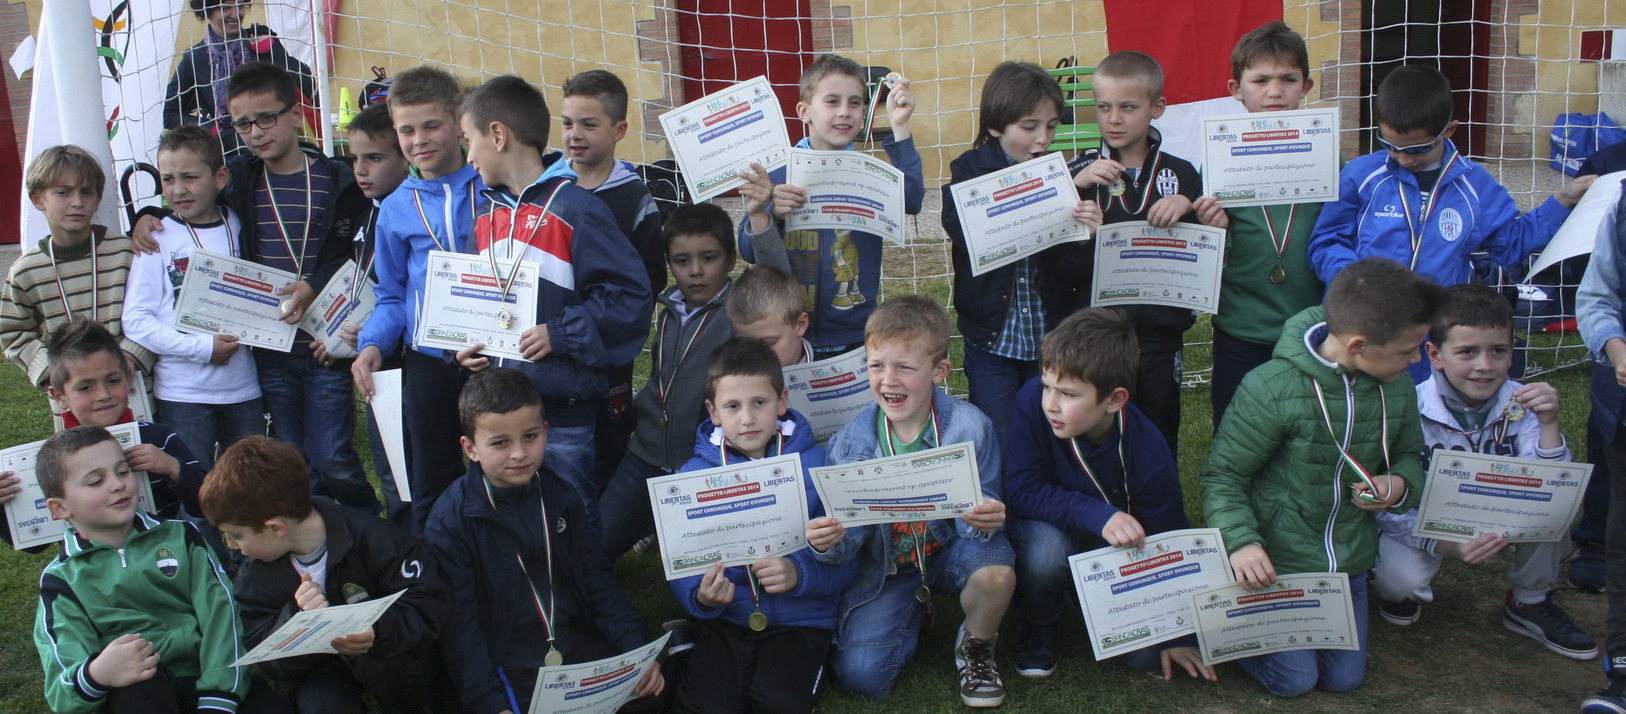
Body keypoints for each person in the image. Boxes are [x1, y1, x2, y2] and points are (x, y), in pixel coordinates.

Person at [1202, 257, 1445, 697]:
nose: (1416, 359)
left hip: (1347, 564)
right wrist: (1242, 542)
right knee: (1295, 681)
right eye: (1407, 351)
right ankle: (1230, 628)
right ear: (1358, 346)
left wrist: (1400, 485)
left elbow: (1410, 454)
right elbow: (1223, 476)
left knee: (1344, 679)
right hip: (1277, 567)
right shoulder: (1271, 387)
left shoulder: (1398, 385)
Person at [1306, 64, 1595, 382]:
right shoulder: (1361, 176)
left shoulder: (1476, 186)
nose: (1403, 159)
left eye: (1415, 149)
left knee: (1422, 416)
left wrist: (1561, 202)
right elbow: (1326, 242)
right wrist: (1356, 283)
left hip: (1433, 332)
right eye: (1390, 146)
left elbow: (1512, 244)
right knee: (1356, 410)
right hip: (1362, 323)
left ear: (1449, 130)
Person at [452, 74, 653, 526]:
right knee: (505, 524)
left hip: (560, 416)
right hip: (496, 411)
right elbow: (472, 304)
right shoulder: (486, 214)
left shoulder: (577, 210)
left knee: (570, 520)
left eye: (470, 140)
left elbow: (630, 298)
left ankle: (578, 595)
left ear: (498, 135)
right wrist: (463, 347)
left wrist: (560, 333)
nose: (468, 156)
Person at [804, 295, 1015, 707]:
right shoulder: (850, 443)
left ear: (939, 371)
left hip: (951, 551)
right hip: (890, 568)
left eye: (904, 367)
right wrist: (826, 542)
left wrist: (984, 517)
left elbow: (984, 510)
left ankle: (976, 647)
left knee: (995, 574)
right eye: (877, 365)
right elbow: (846, 542)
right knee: (860, 680)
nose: (888, 379)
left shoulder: (971, 427)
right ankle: (915, 612)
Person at [1371, 283, 1594, 661]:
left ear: (1512, 353)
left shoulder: (1523, 403)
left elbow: (1557, 490)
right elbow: (1386, 504)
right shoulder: (1404, 406)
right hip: (1430, 524)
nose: (1485, 365)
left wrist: (1550, 423)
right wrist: (1445, 545)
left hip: (1506, 514)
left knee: (1552, 513)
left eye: (1498, 351)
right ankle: (1400, 591)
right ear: (1434, 354)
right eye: (1467, 352)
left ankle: (1528, 602)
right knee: (1397, 582)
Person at [425, 368, 663, 714]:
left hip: (571, 641)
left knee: (648, 697)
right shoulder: (450, 522)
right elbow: (460, 625)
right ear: (470, 448)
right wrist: (488, 702)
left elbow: (597, 580)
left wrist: (633, 650)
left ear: (546, 431)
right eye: (500, 443)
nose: (520, 453)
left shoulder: (561, 496)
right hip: (504, 659)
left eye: (530, 436)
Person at [1002, 307, 1213, 681]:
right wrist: (1099, 515)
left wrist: (1175, 630)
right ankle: (1039, 626)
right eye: (1048, 385)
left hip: (1111, 552)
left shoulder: (1148, 449)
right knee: (1045, 551)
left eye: (1067, 393)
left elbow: (1167, 532)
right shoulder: (1030, 402)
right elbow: (1021, 489)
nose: (1050, 402)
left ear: (1114, 400)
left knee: (1145, 656)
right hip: (1048, 529)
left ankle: (1088, 599)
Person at [202, 61, 372, 512]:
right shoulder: (238, 180)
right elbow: (191, 202)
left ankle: (367, 525)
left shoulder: (339, 179)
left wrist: (315, 285)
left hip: (323, 341)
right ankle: (320, 536)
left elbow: (358, 255)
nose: (256, 132)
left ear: (296, 114)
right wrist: (150, 217)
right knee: (295, 458)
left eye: (267, 117)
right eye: (243, 123)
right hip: (270, 344)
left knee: (332, 455)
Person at [199, 436, 453, 714]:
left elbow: (428, 600)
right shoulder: (256, 575)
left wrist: (376, 631)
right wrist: (298, 619)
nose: (233, 547)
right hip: (318, 670)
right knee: (322, 704)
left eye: (236, 536)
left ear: (275, 528)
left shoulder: (377, 540)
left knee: (392, 674)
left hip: (386, 656)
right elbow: (266, 657)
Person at [668, 338, 855, 714]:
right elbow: (681, 562)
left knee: (780, 704)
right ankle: (689, 639)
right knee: (705, 708)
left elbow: (848, 557)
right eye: (733, 406)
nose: (748, 418)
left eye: (759, 403)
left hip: (801, 621)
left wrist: (799, 573)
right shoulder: (692, 477)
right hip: (728, 618)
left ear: (782, 401)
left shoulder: (819, 466)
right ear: (713, 411)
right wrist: (701, 597)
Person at [31, 426, 257, 713]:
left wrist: (219, 698)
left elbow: (222, 616)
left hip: (208, 679)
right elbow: (62, 688)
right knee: (137, 693)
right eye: (96, 481)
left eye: (123, 471)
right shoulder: (61, 580)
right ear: (59, 508)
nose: (117, 485)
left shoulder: (183, 537)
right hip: (136, 691)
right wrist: (96, 674)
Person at [939, 61, 1101, 446]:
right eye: (1029, 127)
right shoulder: (969, 169)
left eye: (1051, 125)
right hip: (992, 340)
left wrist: (1083, 235)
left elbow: (1075, 274)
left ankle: (1046, 502)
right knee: (1000, 434)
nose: (1042, 138)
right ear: (996, 126)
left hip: (1048, 339)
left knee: (1050, 436)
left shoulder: (1064, 174)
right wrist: (1049, 196)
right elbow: (964, 231)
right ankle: (1004, 506)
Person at [353, 65, 485, 533]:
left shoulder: (491, 189)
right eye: (406, 130)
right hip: (429, 361)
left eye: (432, 125)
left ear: (458, 123)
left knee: (498, 473)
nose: (419, 139)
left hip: (493, 357)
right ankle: (438, 577)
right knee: (431, 481)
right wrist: (372, 344)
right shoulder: (394, 208)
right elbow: (391, 296)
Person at [1070, 50, 1221, 454]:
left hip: (1159, 335)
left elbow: (1203, 250)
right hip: (1097, 335)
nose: (1113, 119)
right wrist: (1075, 190)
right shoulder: (1079, 173)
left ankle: (1158, 515)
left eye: (1128, 107)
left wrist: (1188, 206)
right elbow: (1058, 260)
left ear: (1157, 108)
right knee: (1098, 436)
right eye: (1103, 107)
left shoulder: (1183, 174)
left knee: (1157, 436)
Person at [737, 54, 924, 358]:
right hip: (789, 337)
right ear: (804, 111)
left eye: (854, 103)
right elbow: (747, 250)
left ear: (864, 112)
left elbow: (913, 199)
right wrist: (772, 214)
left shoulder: (870, 173)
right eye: (832, 101)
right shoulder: (777, 174)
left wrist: (900, 127)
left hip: (855, 333)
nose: (845, 112)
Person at [1192, 21, 1329, 428]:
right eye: (1261, 80)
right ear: (1236, 88)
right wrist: (1212, 232)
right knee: (1238, 430)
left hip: (1313, 327)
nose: (1275, 91)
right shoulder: (1218, 163)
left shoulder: (1329, 160)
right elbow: (1206, 261)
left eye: (1288, 79)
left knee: (1309, 433)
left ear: (1306, 86)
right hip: (1241, 327)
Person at [598, 203, 737, 559]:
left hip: (705, 461)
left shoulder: (742, 313)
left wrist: (763, 220)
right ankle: (649, 522)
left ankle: (658, 524)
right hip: (646, 452)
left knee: (702, 564)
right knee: (596, 546)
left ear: (731, 259)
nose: (695, 271)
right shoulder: (669, 311)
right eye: (681, 261)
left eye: (708, 258)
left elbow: (781, 284)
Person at [548, 69, 664, 495]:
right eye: (567, 123)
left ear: (619, 130)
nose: (575, 134)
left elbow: (649, 279)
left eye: (588, 124)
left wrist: (605, 325)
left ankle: (607, 520)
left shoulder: (635, 198)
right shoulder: (546, 186)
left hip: (607, 348)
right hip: (547, 340)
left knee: (609, 432)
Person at [0, 320, 208, 552]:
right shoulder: (53, 460)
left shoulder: (158, 438)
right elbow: (34, 545)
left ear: (128, 377)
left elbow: (208, 506)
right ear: (59, 396)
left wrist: (173, 467)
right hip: (93, 577)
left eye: (113, 381)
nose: (103, 395)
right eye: (85, 387)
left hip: (167, 560)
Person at [123, 125, 262, 469]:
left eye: (189, 177)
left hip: (244, 388)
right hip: (183, 393)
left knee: (253, 485)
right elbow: (136, 320)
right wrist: (200, 349)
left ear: (220, 177)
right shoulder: (156, 238)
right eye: (167, 179)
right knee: (193, 487)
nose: (178, 189)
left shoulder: (243, 224)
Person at [320, 102, 412, 525]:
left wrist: (379, 332)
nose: (360, 169)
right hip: (375, 362)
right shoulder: (362, 211)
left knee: (416, 469)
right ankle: (403, 553)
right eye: (354, 158)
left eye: (374, 158)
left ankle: (430, 553)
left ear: (406, 154)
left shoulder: (413, 214)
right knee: (390, 469)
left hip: (411, 363)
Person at [2, 145, 155, 393]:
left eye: (87, 192)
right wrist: (54, 370)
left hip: (133, 387)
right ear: (38, 199)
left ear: (97, 199)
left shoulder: (129, 254)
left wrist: (131, 357)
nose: (77, 202)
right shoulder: (25, 272)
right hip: (71, 398)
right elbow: (14, 333)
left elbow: (157, 310)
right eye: (63, 192)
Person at [1577, 174, 1626, 713]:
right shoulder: (1623, 200)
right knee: (1623, 540)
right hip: (1625, 408)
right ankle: (1622, 671)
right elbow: (1597, 295)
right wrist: (1616, 352)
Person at [164, 0, 317, 159]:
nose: (235, 14)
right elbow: (170, 114)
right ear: (206, 11)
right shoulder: (196, 57)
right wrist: (211, 128)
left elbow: (306, 86)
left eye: (240, 5)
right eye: (226, 8)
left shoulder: (259, 38)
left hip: (275, 144)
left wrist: (273, 52)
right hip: (232, 155)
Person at [727, 265, 812, 367]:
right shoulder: (728, 376)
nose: (757, 356)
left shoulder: (830, 370)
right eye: (746, 346)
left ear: (800, 324)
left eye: (769, 343)